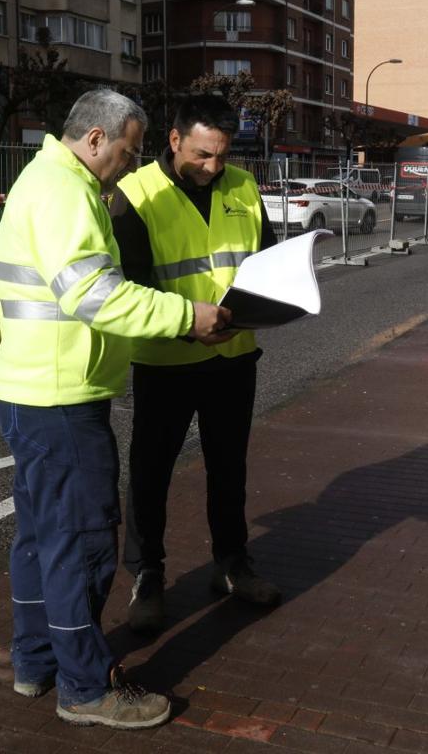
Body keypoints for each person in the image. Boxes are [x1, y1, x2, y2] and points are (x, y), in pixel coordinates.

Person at [0, 88, 231, 729]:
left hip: (25, 388)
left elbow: (7, 278)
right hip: (62, 398)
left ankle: (35, 661)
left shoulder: (36, 179)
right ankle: (85, 685)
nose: (129, 166)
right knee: (82, 544)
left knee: (37, 539)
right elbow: (94, 294)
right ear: (94, 140)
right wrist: (186, 316)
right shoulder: (67, 192)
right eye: (127, 151)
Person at [111, 94, 282, 635]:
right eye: (202, 154)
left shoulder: (243, 186)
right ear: (175, 139)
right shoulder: (134, 194)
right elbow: (128, 285)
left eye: (222, 156)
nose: (212, 167)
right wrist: (190, 323)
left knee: (229, 468)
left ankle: (232, 564)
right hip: (166, 360)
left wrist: (278, 299)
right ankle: (147, 576)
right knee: (150, 473)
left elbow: (264, 261)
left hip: (233, 356)